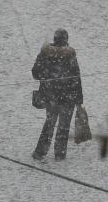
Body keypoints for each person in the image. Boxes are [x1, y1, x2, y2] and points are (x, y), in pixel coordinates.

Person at [31, 28, 84, 161]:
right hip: (68, 98)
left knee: (49, 124)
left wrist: (46, 76)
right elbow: (76, 78)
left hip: (51, 97)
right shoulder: (70, 55)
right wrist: (79, 99)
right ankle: (60, 154)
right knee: (64, 127)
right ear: (66, 40)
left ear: (55, 39)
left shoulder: (45, 53)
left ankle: (40, 152)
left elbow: (35, 73)